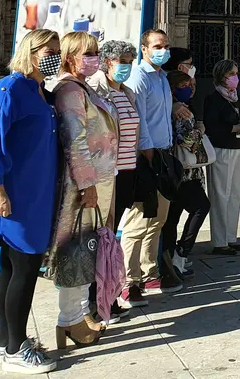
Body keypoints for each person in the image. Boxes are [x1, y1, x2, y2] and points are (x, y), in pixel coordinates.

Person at [0, 29, 60, 374]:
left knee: (12, 268)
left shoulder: (41, 92)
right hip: (12, 193)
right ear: (32, 51)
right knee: (23, 268)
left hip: (36, 191)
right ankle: (16, 347)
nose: (54, 55)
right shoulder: (8, 89)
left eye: (57, 50)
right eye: (48, 50)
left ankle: (2, 342)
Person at [47, 31, 118, 351]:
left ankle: (80, 313)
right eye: (88, 53)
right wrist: (87, 184)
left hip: (97, 180)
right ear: (70, 56)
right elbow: (75, 140)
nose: (94, 58)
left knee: (89, 249)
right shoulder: (68, 90)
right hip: (82, 186)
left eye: (96, 52)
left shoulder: (82, 87)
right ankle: (69, 320)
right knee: (77, 250)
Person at [122, 29, 182, 299]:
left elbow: (161, 115)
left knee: (158, 219)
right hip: (147, 155)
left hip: (163, 152)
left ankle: (149, 272)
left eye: (166, 45)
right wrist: (147, 151)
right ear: (144, 49)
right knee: (138, 220)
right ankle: (129, 281)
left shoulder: (162, 78)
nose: (163, 50)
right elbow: (139, 118)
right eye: (158, 46)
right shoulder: (139, 77)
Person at [86, 39, 140, 322]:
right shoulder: (97, 90)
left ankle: (108, 295)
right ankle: (95, 301)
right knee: (101, 237)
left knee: (112, 237)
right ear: (107, 62)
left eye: (130, 60)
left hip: (128, 170)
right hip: (108, 174)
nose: (127, 66)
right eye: (122, 61)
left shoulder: (128, 92)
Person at [204, 59, 240, 255]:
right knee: (220, 195)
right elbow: (212, 127)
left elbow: (239, 118)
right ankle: (219, 241)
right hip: (221, 149)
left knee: (234, 194)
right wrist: (234, 128)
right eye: (231, 74)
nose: (235, 78)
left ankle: (231, 237)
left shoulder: (236, 97)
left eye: (236, 73)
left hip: (238, 147)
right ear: (222, 76)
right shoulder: (214, 99)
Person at [165, 70, 211, 274]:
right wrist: (200, 130)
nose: (189, 90)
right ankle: (181, 253)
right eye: (183, 86)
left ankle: (171, 256)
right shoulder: (180, 111)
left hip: (182, 171)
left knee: (173, 215)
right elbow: (187, 140)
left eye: (191, 85)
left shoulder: (182, 107)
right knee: (201, 206)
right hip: (184, 172)